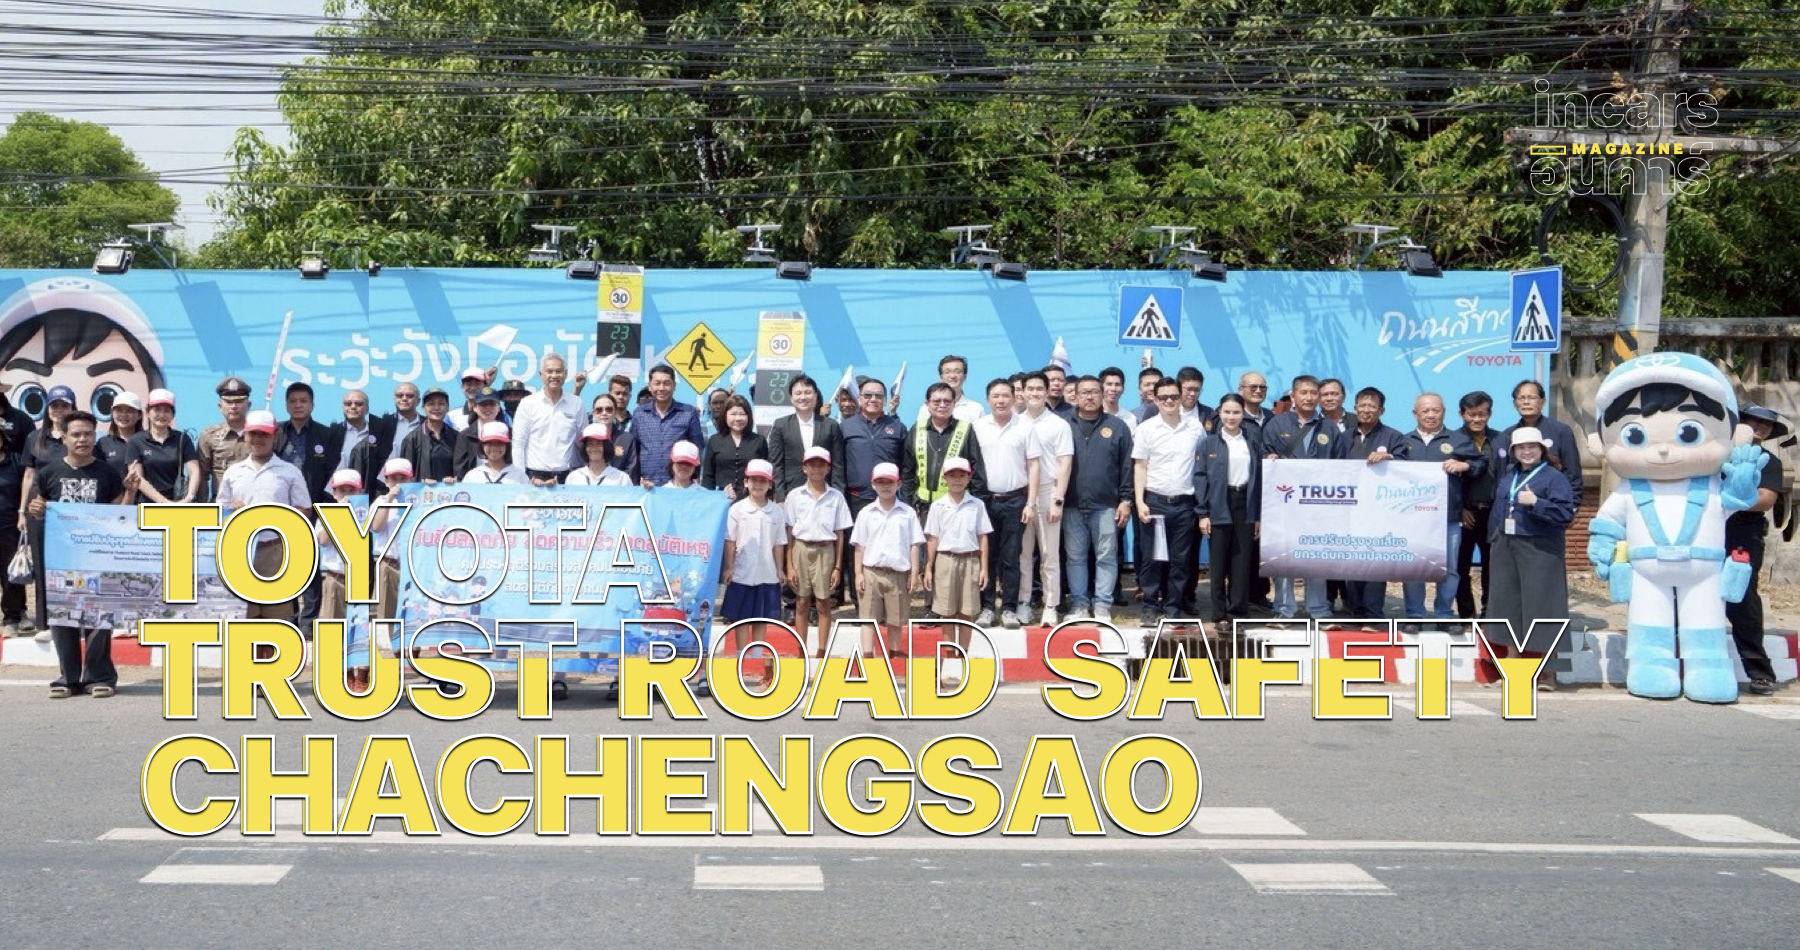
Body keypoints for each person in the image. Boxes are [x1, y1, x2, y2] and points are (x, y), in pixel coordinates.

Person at [28, 411, 128, 698]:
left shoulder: (108, 473)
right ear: (64, 437)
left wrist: (131, 493)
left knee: (99, 617)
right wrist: (36, 509)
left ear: (95, 436)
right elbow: (39, 507)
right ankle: (68, 678)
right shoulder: (48, 472)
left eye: (88, 433)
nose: (83, 439)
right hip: (61, 556)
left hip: (98, 555)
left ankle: (100, 677)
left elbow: (118, 514)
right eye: (76, 434)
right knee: (62, 616)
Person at [1484, 426, 1576, 689]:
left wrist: (1537, 503)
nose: (1526, 452)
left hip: (1540, 547)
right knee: (1507, 604)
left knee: (1544, 606)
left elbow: (1565, 514)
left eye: (1531, 447)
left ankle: (1549, 672)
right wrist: (1495, 538)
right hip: (1506, 544)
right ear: (1514, 451)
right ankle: (1513, 666)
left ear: (1541, 449)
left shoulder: (1554, 477)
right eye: (1521, 448)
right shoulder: (1510, 474)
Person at [215, 410, 314, 628]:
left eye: (264, 434)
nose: (258, 439)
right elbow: (219, 509)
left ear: (274, 435)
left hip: (275, 550)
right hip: (239, 552)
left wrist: (273, 519)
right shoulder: (233, 472)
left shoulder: (289, 472)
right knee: (243, 616)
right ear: (245, 435)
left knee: (276, 617)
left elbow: (304, 509)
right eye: (253, 434)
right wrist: (230, 510)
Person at [1400, 393, 1482, 632]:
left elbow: (1480, 464)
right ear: (1415, 414)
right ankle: (1415, 615)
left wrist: (1465, 465)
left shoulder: (1458, 440)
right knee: (1413, 568)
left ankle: (1444, 615)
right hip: (1413, 520)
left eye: (1435, 410)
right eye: (1425, 410)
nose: (1430, 415)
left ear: (1443, 412)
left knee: (1449, 569)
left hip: (1447, 518)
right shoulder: (1403, 441)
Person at [1331, 386, 1412, 620]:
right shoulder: (1344, 436)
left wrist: (1389, 458)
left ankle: (1373, 613)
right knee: (1352, 560)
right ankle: (1354, 609)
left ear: (1381, 410)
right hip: (1349, 509)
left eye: (1372, 406)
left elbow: (1408, 468)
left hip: (1380, 512)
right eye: (1362, 405)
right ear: (1355, 408)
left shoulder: (1393, 436)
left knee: (1376, 561)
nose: (1366, 410)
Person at [1131, 377, 1202, 627]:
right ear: (1155, 399)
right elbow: (1140, 466)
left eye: (1173, 396)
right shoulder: (1146, 429)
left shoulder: (1195, 428)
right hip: (1155, 502)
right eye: (1163, 397)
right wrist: (1139, 501)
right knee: (1152, 558)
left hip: (1185, 504)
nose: (1169, 401)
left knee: (1180, 560)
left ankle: (1173, 607)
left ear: (1181, 397)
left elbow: (1202, 462)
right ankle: (1150, 606)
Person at [1260, 374, 1333, 619]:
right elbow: (1264, 455)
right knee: (1284, 555)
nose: (1309, 397)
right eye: (1304, 392)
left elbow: (1341, 465)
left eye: (1314, 393)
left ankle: (1318, 608)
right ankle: (1284, 608)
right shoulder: (1276, 425)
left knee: (1317, 555)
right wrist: (1269, 458)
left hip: (1319, 505)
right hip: (1285, 503)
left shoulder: (1329, 428)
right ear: (1293, 396)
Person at [1062, 375, 1133, 623]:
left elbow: (1127, 466)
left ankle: (1102, 605)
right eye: (1084, 392)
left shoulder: (1117, 426)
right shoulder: (1064, 425)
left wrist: (1126, 500)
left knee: (1106, 557)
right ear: (1075, 396)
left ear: (1102, 395)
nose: (1089, 397)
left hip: (1106, 506)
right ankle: (1079, 604)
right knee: (1075, 557)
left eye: (1094, 392)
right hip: (1071, 505)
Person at [1726, 404, 1786, 696]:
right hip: (1705, 530)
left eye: (1766, 424)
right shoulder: (1717, 452)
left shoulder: (1769, 462)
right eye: (1753, 421)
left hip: (1743, 534)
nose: (1760, 427)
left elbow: (1765, 499)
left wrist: (1726, 501)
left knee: (1741, 599)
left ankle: (1760, 672)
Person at [1195, 394, 1261, 631]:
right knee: (1218, 563)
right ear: (1219, 413)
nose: (1231, 417)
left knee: (1241, 563)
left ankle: (1238, 613)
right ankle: (1219, 615)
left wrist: (1257, 515)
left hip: (1245, 503)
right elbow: (1200, 478)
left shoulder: (1252, 442)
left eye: (1236, 412)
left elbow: (1259, 479)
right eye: (1227, 412)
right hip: (1218, 504)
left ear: (1243, 414)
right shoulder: (1209, 443)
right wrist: (1203, 513)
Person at [924, 457, 991, 687]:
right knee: (947, 613)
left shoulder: (977, 505)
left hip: (970, 560)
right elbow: (932, 539)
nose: (957, 480)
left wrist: (984, 568)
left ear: (969, 478)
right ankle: (947, 662)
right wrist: (928, 567)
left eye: (962, 476)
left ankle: (963, 662)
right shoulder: (938, 506)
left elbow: (982, 537)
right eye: (952, 475)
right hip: (945, 560)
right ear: (945, 478)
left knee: (967, 614)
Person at [972, 377, 1032, 628]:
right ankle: (986, 607)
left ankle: (1009, 608)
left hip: (1015, 500)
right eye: (996, 396)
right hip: (985, 501)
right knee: (986, 556)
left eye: (1006, 395)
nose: (1001, 400)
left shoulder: (1024, 426)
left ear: (1014, 398)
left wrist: (1030, 503)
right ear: (988, 399)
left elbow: (1033, 465)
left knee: (1011, 557)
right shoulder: (977, 427)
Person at [785, 447, 852, 661]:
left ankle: (822, 651)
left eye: (821, 464)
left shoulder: (836, 497)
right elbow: (789, 532)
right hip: (801, 549)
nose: (816, 469)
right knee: (801, 601)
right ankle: (801, 650)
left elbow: (840, 534)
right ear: (804, 468)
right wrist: (789, 565)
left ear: (828, 468)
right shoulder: (795, 496)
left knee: (823, 603)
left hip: (825, 550)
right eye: (812, 464)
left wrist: (838, 567)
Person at [851, 462, 922, 658]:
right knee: (868, 618)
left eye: (889, 482)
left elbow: (914, 544)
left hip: (898, 573)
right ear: (873, 485)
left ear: (898, 484)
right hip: (871, 572)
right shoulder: (866, 513)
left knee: (896, 619)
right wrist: (858, 573)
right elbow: (859, 546)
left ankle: (895, 653)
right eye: (880, 482)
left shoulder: (907, 513)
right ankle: (867, 656)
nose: (885, 486)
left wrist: (914, 573)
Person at [1018, 371, 1072, 627]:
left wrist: (1058, 499)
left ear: (1047, 391)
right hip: (1020, 493)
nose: (1035, 393)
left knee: (1049, 554)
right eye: (1030, 389)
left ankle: (1051, 605)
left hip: (1047, 492)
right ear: (1022, 392)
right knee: (1023, 553)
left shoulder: (1058, 424)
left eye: (1040, 389)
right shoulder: (1015, 422)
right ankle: (1024, 602)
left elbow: (1065, 463)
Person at [902, 382, 988, 521]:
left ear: (954, 404)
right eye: (936, 401)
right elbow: (908, 470)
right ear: (927, 404)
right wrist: (909, 503)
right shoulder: (917, 429)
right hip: (923, 508)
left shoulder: (966, 429)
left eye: (947, 401)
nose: (942, 405)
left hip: (958, 507)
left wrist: (977, 505)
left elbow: (977, 470)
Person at [721, 459, 787, 635]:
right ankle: (741, 650)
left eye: (763, 481)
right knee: (741, 618)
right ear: (746, 482)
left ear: (770, 484)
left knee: (761, 618)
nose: (758, 485)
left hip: (767, 572)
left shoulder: (777, 512)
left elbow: (779, 543)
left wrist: (780, 569)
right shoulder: (737, 509)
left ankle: (757, 650)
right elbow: (730, 540)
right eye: (754, 480)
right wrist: (729, 567)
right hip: (742, 571)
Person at [1454, 391, 1505, 620]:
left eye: (1481, 414)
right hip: (1464, 513)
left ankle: (1489, 613)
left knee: (1492, 565)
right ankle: (1466, 614)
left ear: (1489, 414)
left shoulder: (1501, 440)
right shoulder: (1453, 440)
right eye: (1471, 414)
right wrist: (1461, 508)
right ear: (1462, 414)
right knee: (1460, 566)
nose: (1476, 419)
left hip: (1493, 512)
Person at [766, 374, 846, 501]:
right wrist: (780, 497)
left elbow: (838, 465)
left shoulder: (830, 425)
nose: (803, 397)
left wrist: (838, 494)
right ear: (791, 398)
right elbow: (776, 465)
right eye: (798, 393)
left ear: (815, 396)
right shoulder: (781, 425)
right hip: (791, 494)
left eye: (807, 392)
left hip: (825, 494)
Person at [510, 354, 583, 484]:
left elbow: (581, 442)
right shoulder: (528, 403)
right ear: (541, 375)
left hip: (566, 478)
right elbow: (518, 444)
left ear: (566, 374)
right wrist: (522, 479)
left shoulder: (577, 403)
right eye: (549, 371)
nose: (554, 375)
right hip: (533, 478)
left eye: (558, 371)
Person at [1503, 379, 1584, 494]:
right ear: (1515, 403)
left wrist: (1572, 502)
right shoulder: (1508, 435)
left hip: (1553, 499)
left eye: (1532, 398)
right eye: (1521, 398)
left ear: (1543, 402)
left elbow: (1573, 473)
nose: (1526, 402)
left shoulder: (1561, 431)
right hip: (1517, 499)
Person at [630, 364, 704, 487]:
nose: (662, 388)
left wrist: (694, 478)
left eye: (666, 383)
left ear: (674, 386)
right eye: (657, 383)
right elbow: (634, 451)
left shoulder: (688, 413)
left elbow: (698, 449)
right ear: (650, 386)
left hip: (678, 486)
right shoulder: (639, 414)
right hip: (647, 485)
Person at [0, 378, 35, 636]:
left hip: (9, 515)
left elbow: (29, 474)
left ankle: (14, 615)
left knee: (11, 568)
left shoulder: (21, 420)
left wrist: (24, 511)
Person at [128, 389, 200, 505]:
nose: (162, 415)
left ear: (173, 414)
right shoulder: (136, 441)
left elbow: (194, 470)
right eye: (157, 410)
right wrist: (164, 502)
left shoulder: (182, 438)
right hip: (147, 506)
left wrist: (188, 498)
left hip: (178, 504)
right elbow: (138, 478)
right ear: (147, 412)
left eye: (167, 410)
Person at [702, 394, 767, 500]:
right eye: (733, 414)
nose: (738, 418)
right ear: (725, 416)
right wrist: (708, 499)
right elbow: (708, 476)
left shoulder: (759, 441)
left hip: (751, 500)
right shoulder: (715, 440)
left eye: (742, 414)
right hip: (720, 499)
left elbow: (765, 474)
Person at [397, 388, 458, 484]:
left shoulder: (457, 437)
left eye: (441, 404)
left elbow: (462, 470)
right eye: (431, 404)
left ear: (447, 408)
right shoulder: (412, 439)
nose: (436, 408)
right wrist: (422, 482)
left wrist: (455, 479)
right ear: (423, 408)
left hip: (451, 491)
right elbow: (405, 474)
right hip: (423, 492)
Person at [914, 355, 985, 426]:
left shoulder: (976, 409)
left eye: (957, 372)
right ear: (941, 377)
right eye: (947, 372)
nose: (952, 376)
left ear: (965, 377)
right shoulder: (927, 409)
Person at [452, 390, 507, 478]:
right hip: (474, 483)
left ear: (499, 407)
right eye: (483, 404)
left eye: (492, 404)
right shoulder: (465, 435)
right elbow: (460, 468)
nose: (488, 408)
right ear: (475, 407)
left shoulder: (509, 433)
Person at [96, 391, 143, 488]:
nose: (123, 415)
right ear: (112, 412)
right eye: (119, 410)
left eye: (129, 411)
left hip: (144, 497)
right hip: (114, 497)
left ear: (139, 415)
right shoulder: (103, 443)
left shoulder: (147, 441)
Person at [567, 423, 633, 486]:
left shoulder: (621, 478)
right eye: (590, 444)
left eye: (599, 444)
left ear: (607, 446)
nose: (594, 448)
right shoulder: (573, 477)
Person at [380, 382, 423, 468]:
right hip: (389, 474)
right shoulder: (382, 424)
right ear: (394, 399)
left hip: (420, 475)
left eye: (410, 396)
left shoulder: (428, 424)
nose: (404, 398)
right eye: (400, 396)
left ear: (418, 401)